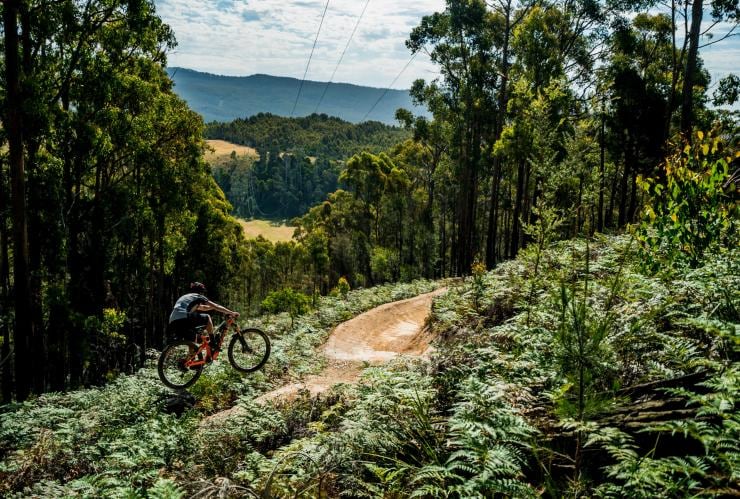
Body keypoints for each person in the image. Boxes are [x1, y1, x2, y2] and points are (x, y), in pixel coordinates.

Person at [168, 282, 239, 344]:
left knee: (192, 341)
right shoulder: (198, 296)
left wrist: (214, 307)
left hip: (173, 320)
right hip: (184, 317)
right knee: (207, 317)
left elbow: (204, 308)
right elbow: (216, 306)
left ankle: (188, 359)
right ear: (200, 292)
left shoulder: (186, 297)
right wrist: (231, 312)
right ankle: (212, 341)